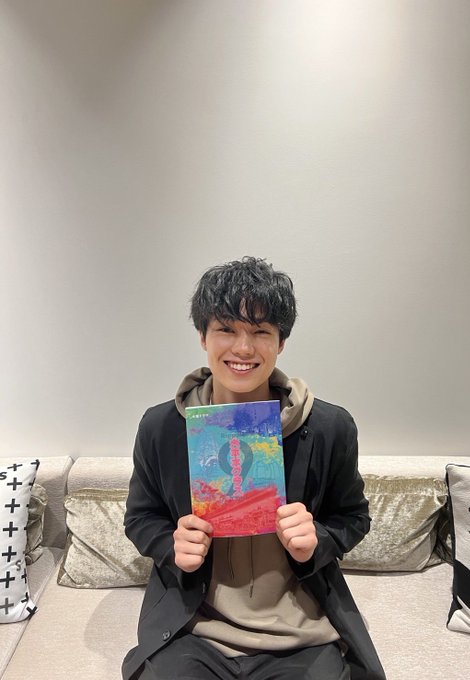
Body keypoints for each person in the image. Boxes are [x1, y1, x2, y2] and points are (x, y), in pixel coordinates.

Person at [122, 257, 386, 680]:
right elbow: (140, 517)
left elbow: (353, 517)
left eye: (261, 331)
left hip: (301, 634)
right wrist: (173, 546)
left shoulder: (329, 427)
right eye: (226, 329)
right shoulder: (162, 427)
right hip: (193, 630)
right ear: (202, 337)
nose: (243, 348)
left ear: (281, 342)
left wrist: (315, 541)